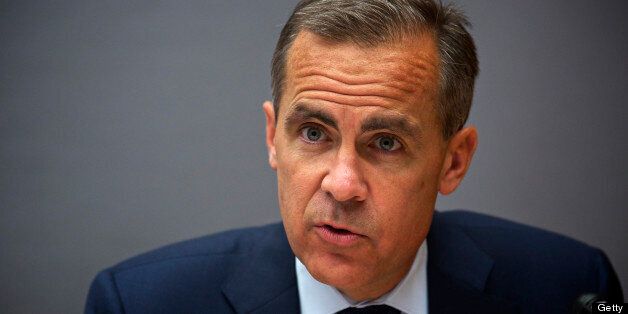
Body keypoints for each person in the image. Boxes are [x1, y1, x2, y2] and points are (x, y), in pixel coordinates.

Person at [85, 0, 623, 313]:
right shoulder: (139, 303)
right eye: (314, 133)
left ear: (453, 162)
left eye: (386, 143)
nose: (342, 185)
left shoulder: (571, 287)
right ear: (273, 137)